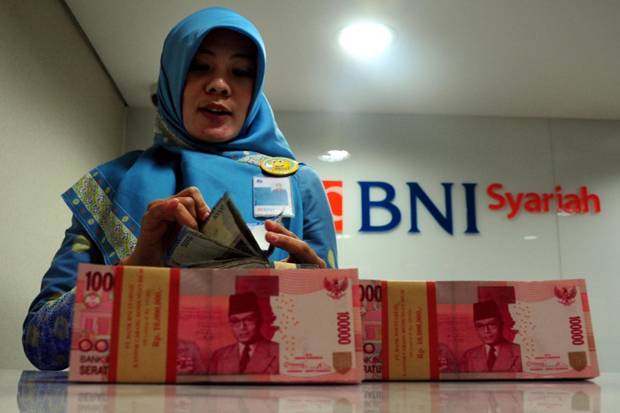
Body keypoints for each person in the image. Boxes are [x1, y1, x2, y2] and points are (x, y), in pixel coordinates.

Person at [22, 7, 337, 371]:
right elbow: (39, 346)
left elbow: (333, 346)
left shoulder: (300, 184)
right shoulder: (111, 185)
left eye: (240, 72)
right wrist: (132, 273)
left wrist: (320, 302)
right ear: (172, 78)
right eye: (199, 67)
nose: (219, 85)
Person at [208, 292, 278, 374]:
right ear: (230, 324)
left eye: (249, 319)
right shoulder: (219, 356)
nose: (242, 327)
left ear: (259, 320)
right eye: (235, 321)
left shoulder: (278, 352)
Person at [460, 300, 523, 373]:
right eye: (480, 326)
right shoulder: (468, 356)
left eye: (492, 324)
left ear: (501, 325)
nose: (486, 331)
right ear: (476, 329)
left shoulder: (520, 352)